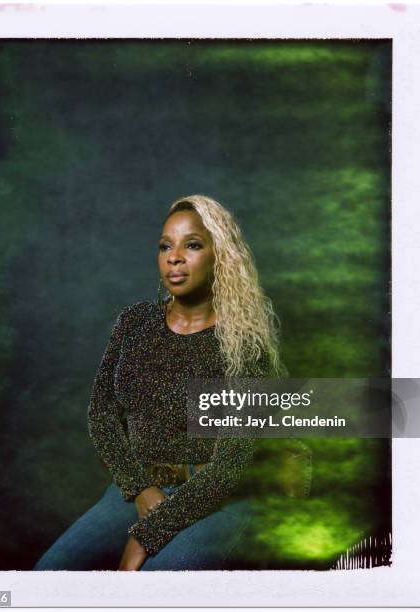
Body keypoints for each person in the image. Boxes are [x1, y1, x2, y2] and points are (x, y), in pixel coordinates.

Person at [33, 194, 282, 571]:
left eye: (192, 245)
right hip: (137, 489)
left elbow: (230, 468)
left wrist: (144, 535)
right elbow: (102, 413)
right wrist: (140, 488)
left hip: (214, 498)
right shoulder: (135, 323)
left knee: (148, 587)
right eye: (166, 246)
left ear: (221, 256)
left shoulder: (245, 346)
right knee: (46, 575)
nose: (174, 257)